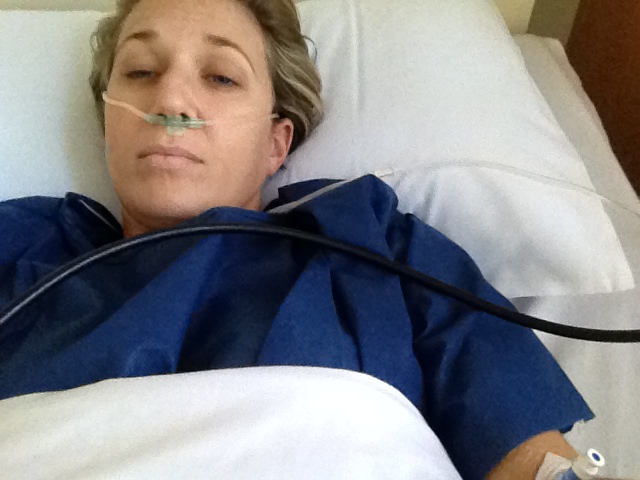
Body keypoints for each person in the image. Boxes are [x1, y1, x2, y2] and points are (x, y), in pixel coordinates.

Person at [0, 0, 600, 479]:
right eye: (140, 72)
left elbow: (530, 454)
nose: (171, 101)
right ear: (108, 120)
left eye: (221, 76)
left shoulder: (369, 239)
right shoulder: (23, 244)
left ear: (275, 143)